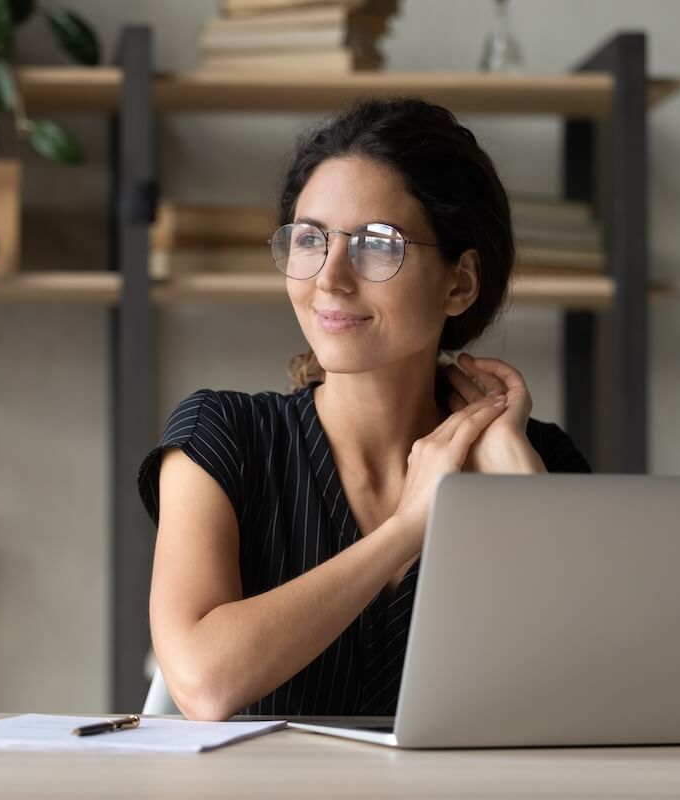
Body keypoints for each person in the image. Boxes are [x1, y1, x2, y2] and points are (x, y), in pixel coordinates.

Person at [137, 97, 591, 721]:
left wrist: (520, 483)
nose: (330, 276)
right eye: (309, 239)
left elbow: (590, 700)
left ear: (458, 283)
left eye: (379, 243)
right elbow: (204, 682)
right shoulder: (221, 439)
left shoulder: (542, 461)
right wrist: (409, 527)